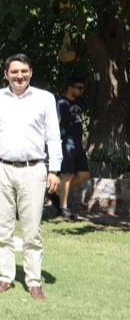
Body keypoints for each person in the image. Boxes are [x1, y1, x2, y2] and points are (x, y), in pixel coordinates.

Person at [0, 54, 61, 301]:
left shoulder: (45, 98)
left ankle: (34, 281)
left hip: (33, 169)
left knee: (32, 229)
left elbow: (53, 137)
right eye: (14, 72)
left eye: (24, 71)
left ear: (31, 72)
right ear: (6, 74)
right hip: (0, 168)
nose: (19, 76)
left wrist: (54, 170)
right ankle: (5, 277)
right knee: (2, 227)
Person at [56, 74, 90, 219]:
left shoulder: (79, 102)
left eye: (83, 88)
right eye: (79, 88)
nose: (81, 91)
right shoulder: (59, 102)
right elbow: (55, 122)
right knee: (67, 174)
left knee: (84, 174)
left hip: (78, 142)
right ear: (70, 88)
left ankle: (58, 191)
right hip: (66, 141)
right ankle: (63, 208)